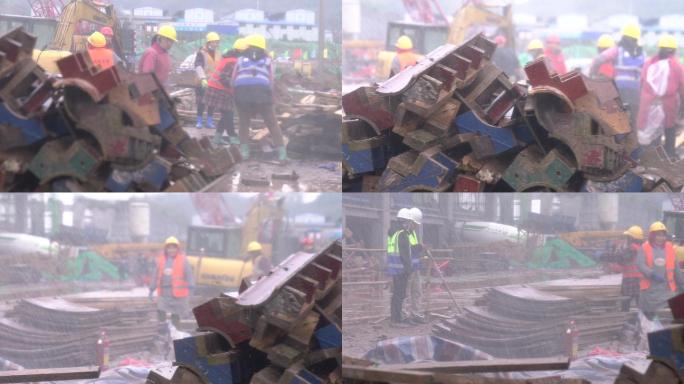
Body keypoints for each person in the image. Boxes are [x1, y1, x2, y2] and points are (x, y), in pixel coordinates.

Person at [232, 34, 287, 161]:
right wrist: (271, 98)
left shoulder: (239, 60)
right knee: (272, 123)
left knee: (244, 123)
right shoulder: (268, 60)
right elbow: (271, 80)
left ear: (248, 46)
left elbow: (233, 79)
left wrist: (235, 95)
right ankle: (282, 154)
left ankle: (244, 153)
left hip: (242, 92)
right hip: (261, 92)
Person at [636, 35, 684, 158]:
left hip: (648, 104)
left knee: (650, 133)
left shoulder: (648, 63)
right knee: (669, 129)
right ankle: (669, 155)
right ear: (673, 50)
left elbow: (641, 83)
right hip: (667, 105)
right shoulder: (676, 66)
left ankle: (649, 157)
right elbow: (682, 89)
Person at [590, 23, 645, 122]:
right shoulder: (642, 54)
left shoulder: (617, 50)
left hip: (620, 90)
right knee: (633, 121)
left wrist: (592, 74)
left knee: (618, 120)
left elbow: (598, 60)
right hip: (635, 92)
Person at [637, 221, 684, 320]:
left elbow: (675, 267)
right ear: (652, 236)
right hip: (650, 290)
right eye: (658, 235)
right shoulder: (644, 247)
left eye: (663, 235)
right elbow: (640, 264)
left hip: (667, 289)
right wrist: (651, 274)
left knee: (670, 315)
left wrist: (681, 283)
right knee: (650, 316)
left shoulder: (670, 247)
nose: (660, 238)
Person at [206, 38, 246, 145]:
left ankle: (217, 139)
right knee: (229, 114)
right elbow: (223, 78)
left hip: (217, 89)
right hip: (219, 90)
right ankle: (232, 136)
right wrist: (236, 86)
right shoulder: (233, 62)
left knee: (226, 115)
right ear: (241, 51)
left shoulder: (230, 58)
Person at [149, 236, 194, 328]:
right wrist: (151, 289)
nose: (171, 250)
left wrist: (191, 287)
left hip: (177, 293)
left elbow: (189, 274)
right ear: (166, 249)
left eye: (173, 248)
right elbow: (155, 275)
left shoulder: (183, 260)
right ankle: (162, 331)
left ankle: (175, 333)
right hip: (163, 292)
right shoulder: (160, 260)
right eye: (169, 248)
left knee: (175, 314)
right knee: (161, 311)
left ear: (177, 249)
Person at [387, 208, 419, 327]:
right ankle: (397, 320)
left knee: (396, 294)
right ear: (406, 221)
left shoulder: (393, 231)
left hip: (394, 267)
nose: (410, 224)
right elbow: (405, 254)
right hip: (401, 269)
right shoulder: (403, 234)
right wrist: (409, 269)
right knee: (400, 294)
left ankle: (394, 318)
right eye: (410, 222)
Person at [608, 226, 644, 311]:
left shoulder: (631, 248)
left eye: (627, 237)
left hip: (630, 279)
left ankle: (626, 320)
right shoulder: (641, 248)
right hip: (640, 279)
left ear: (631, 238)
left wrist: (611, 256)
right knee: (639, 303)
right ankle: (642, 320)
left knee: (625, 303)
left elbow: (622, 260)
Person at [194, 32, 222, 129]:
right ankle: (199, 121)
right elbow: (197, 65)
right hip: (202, 82)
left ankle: (209, 121)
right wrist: (202, 78)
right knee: (201, 102)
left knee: (211, 103)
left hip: (213, 83)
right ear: (209, 42)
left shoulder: (218, 54)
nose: (216, 44)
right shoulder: (201, 53)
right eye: (214, 42)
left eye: (217, 42)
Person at [139, 25, 177, 89]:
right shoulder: (152, 53)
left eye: (171, 41)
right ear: (160, 38)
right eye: (168, 40)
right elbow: (147, 77)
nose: (170, 44)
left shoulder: (164, 53)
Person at [406, 207, 426, 324]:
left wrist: (419, 246)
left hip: (415, 266)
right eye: (416, 223)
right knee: (406, 291)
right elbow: (406, 250)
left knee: (417, 291)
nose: (417, 226)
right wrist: (419, 247)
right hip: (408, 267)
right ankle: (404, 315)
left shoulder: (412, 233)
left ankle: (416, 313)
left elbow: (413, 249)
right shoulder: (403, 232)